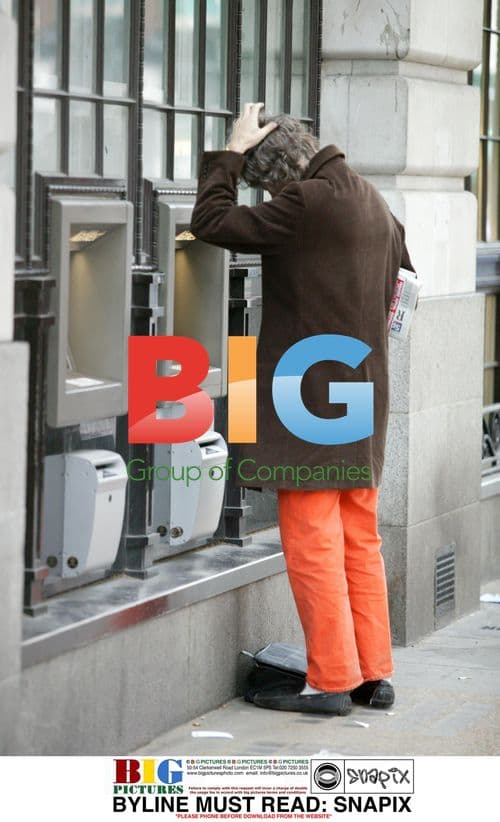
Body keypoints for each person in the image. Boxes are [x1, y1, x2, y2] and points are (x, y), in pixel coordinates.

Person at [190, 103, 415, 716]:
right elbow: (404, 284)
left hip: (308, 396)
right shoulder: (372, 200)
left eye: (264, 183)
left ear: (280, 172)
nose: (266, 195)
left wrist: (229, 155)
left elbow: (209, 221)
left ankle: (331, 681)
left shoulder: (305, 203)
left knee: (312, 538)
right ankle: (373, 675)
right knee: (357, 538)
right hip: (361, 394)